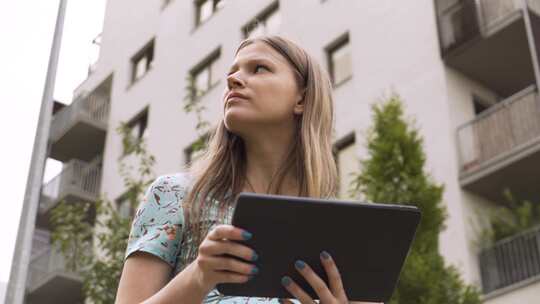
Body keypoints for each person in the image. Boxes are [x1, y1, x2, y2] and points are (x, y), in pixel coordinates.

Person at [115, 35, 380, 304]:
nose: (233, 79)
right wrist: (198, 276)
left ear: (302, 98)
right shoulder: (174, 196)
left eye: (259, 68)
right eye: (232, 72)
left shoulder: (340, 231)